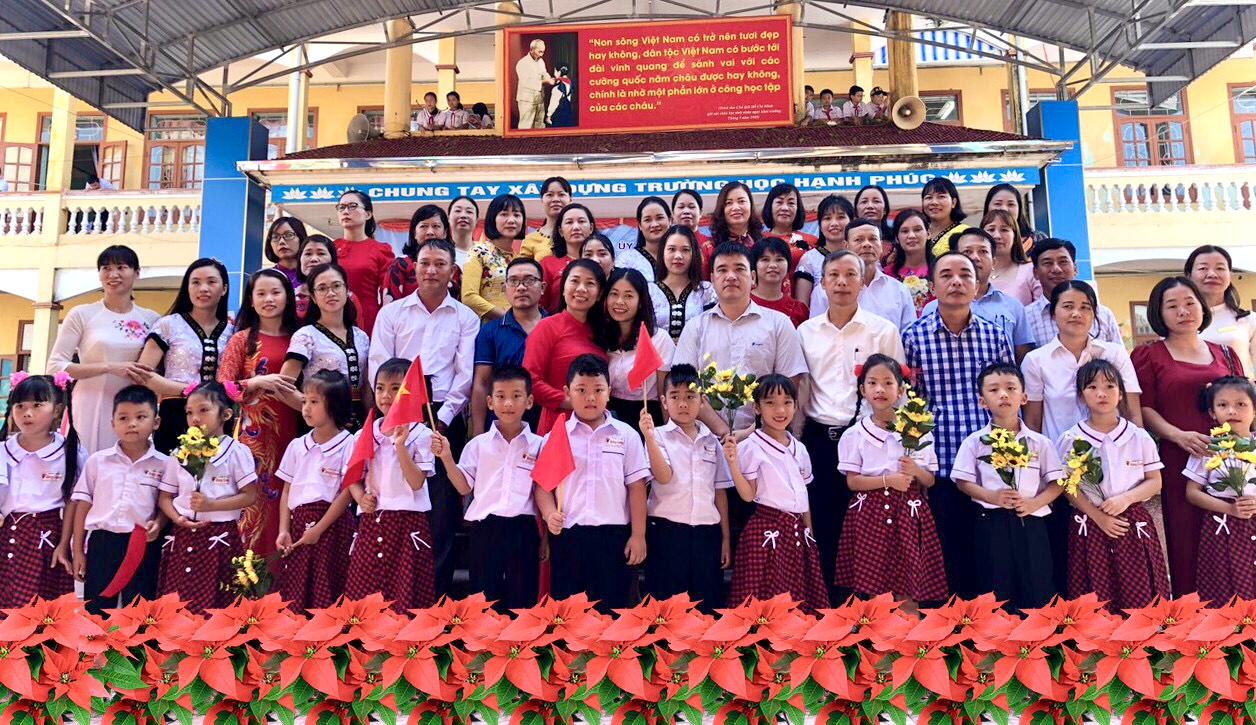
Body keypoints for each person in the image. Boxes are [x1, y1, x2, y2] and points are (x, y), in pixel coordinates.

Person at [368, 239, 480, 597]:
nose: (432, 270)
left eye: (440, 264)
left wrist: (442, 419)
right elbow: (379, 365)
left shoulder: (465, 317)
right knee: (398, 503)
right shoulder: (392, 314)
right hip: (397, 415)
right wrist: (396, 413)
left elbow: (465, 375)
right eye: (425, 263)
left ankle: (436, 595)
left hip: (443, 416)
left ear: (452, 271)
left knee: (442, 511)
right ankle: (394, 593)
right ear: (414, 267)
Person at [902, 252, 1014, 597]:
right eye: (947, 275)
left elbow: (1008, 400)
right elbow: (910, 406)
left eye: (965, 275)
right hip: (940, 464)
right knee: (948, 551)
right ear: (932, 286)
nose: (956, 282)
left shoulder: (994, 336)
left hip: (988, 463)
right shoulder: (913, 338)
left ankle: (994, 618)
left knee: (992, 550)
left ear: (977, 285)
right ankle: (953, 622)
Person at [798, 250, 905, 599]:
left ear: (862, 282)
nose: (841, 282)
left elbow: (898, 391)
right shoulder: (806, 331)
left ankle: (873, 607)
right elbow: (802, 389)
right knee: (825, 524)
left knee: (870, 527)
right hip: (820, 439)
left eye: (850, 275)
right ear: (822, 283)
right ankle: (832, 607)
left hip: (869, 440)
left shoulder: (882, 330)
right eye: (834, 275)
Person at [1133, 276, 1244, 597]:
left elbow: (1243, 400)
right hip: (1179, 458)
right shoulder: (1148, 355)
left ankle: (1238, 611)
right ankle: (1191, 611)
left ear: (1202, 306)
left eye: (1190, 303)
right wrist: (1177, 436)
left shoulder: (1225, 353)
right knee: (1186, 538)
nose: (1183, 311)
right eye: (1172, 305)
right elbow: (1143, 407)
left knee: (1234, 532)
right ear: (1159, 313)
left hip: (1228, 459)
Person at [534, 354, 649, 614]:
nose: (590, 397)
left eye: (598, 390)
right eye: (581, 390)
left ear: (609, 392)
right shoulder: (558, 436)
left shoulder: (627, 435)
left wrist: (638, 535)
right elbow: (542, 486)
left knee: (611, 613)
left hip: (614, 538)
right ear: (567, 392)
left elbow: (636, 487)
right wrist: (550, 514)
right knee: (569, 615)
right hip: (569, 537)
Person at [1057, 359, 1170, 613]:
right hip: (1091, 523)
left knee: (1139, 590)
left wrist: (1125, 499)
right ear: (1081, 395)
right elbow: (1067, 486)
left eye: (1109, 386)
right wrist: (1098, 516)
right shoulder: (1071, 439)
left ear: (1120, 393)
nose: (1102, 393)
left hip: (1131, 523)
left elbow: (1155, 482)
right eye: (1092, 387)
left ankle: (1141, 634)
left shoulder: (1138, 436)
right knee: (1096, 593)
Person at [835, 355, 945, 613]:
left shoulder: (917, 431)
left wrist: (915, 470)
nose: (880, 389)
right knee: (876, 585)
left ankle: (910, 629)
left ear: (901, 390)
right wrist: (889, 480)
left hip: (908, 512)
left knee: (909, 584)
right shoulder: (854, 434)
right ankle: (880, 631)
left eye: (888, 383)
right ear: (862, 390)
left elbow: (930, 480)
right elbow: (853, 481)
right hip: (870, 513)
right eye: (872, 383)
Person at [953, 363, 1064, 611]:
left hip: (1032, 521)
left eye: (1011, 388)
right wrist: (990, 496)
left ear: (1023, 397)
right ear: (982, 401)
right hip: (991, 521)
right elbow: (963, 481)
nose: (1003, 394)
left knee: (1037, 584)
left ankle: (1038, 632)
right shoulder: (975, 442)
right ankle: (1000, 633)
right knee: (996, 585)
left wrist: (1035, 502)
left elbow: (1058, 482)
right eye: (994, 390)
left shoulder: (1039, 442)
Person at [437, 365, 544, 613]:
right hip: (485, 529)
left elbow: (544, 492)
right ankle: (485, 639)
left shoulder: (540, 445)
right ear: (489, 401)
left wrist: (545, 538)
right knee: (483, 598)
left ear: (529, 401)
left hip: (524, 529)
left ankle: (520, 638)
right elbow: (463, 486)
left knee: (523, 598)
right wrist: (447, 458)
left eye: (516, 396)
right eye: (501, 396)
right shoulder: (477, 445)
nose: (508, 403)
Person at [674, 243, 807, 437]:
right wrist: (724, 432)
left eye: (739, 269)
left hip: (765, 438)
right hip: (706, 438)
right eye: (722, 270)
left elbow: (788, 385)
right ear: (712, 279)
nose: (731, 276)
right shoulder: (695, 327)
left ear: (753, 277)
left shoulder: (779, 324)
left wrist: (750, 433)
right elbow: (686, 387)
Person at [725, 374, 829, 614]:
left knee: (799, 600)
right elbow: (748, 495)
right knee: (764, 600)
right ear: (757, 407)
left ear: (795, 405)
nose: (780, 410)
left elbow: (803, 497)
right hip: (767, 530)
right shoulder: (751, 446)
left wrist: (809, 532)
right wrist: (732, 463)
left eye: (787, 402)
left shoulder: (800, 448)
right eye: (771, 402)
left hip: (797, 532)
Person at [343, 358, 438, 614]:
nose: (386, 395)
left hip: (408, 523)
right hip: (373, 521)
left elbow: (416, 482)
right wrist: (360, 498)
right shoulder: (365, 433)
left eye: (396, 388)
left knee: (406, 594)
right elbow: (353, 477)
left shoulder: (421, 435)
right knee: (366, 592)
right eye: (380, 388)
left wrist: (400, 445)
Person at [218, 269, 301, 555]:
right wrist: (255, 382)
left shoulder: (301, 337)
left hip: (294, 430)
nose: (269, 299)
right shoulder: (242, 339)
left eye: (276, 292)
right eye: (261, 294)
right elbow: (222, 387)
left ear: (288, 297)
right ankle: (249, 571)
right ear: (251, 300)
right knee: (254, 500)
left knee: (288, 495)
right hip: (252, 437)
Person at [48, 245, 161, 454]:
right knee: (87, 461)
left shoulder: (152, 319)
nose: (113, 274)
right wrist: (109, 367)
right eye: (106, 268)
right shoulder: (82, 314)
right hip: (91, 402)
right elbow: (55, 367)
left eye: (121, 267)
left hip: (135, 406)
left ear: (137, 273)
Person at [156, 381, 257, 614]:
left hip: (219, 536)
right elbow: (165, 497)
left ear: (226, 414)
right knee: (177, 601)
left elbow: (249, 495)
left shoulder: (237, 452)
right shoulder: (179, 453)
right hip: (182, 535)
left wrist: (211, 505)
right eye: (189, 412)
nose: (195, 418)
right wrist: (177, 518)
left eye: (204, 410)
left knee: (217, 604)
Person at [71, 385, 172, 615]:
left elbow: (165, 505)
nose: (132, 424)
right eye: (123, 418)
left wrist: (159, 524)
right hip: (102, 543)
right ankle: (96, 639)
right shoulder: (98, 462)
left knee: (139, 610)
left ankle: (136, 640)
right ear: (113, 423)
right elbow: (83, 505)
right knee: (97, 609)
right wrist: (78, 550)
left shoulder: (165, 464)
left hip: (143, 543)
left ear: (156, 422)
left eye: (141, 417)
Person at [639, 364, 731, 613]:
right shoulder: (658, 436)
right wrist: (649, 437)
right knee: (666, 606)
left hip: (706, 533)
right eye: (674, 397)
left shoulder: (712, 441)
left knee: (706, 604)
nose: (682, 404)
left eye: (690, 397)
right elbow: (663, 476)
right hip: (667, 532)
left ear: (702, 400)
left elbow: (719, 491)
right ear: (663, 401)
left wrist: (725, 538)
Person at [273, 371, 356, 615]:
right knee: (298, 588)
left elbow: (346, 493)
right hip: (299, 526)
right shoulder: (297, 445)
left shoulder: (349, 444)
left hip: (333, 526)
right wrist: (284, 530)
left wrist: (318, 529)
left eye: (314, 402)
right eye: (304, 401)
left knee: (330, 586)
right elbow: (287, 491)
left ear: (334, 406)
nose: (306, 408)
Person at [0, 374, 83, 608]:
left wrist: (64, 544)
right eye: (20, 406)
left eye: (37, 405)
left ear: (57, 410)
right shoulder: (3, 450)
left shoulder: (69, 453)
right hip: (5, 534)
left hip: (46, 537)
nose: (27, 413)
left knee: (41, 609)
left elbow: (73, 502)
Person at [1023, 281, 1142, 442]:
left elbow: (1132, 413)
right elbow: (1032, 422)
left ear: (1093, 314)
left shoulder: (1114, 355)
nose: (1076, 314)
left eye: (1085, 307)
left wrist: (1138, 450)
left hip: (1114, 452)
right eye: (1068, 306)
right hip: (1059, 454)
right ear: (1053, 313)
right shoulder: (1036, 361)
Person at [138, 258, 234, 454]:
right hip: (176, 412)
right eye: (196, 282)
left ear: (224, 288)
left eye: (211, 282)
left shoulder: (233, 330)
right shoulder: (168, 325)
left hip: (218, 416)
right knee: (173, 470)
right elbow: (143, 374)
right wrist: (188, 390)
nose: (203, 288)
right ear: (187, 288)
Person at [1184, 376, 1256, 604]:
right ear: (1212, 413)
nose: (1232, 411)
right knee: (1226, 586)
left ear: (1254, 410)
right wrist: (1230, 509)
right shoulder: (1209, 448)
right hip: (1222, 527)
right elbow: (1192, 492)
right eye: (1223, 405)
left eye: (1241, 404)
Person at [921, 229, 1036, 361]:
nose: (975, 257)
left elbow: (1023, 359)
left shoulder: (1014, 307)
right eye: (967, 252)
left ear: (994, 262)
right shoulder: (932, 309)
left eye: (983, 251)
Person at [522, 259, 608, 434]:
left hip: (597, 426)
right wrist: (573, 401)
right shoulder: (547, 327)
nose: (581, 289)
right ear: (563, 288)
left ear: (599, 294)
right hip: (558, 425)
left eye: (590, 283)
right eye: (575, 281)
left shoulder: (603, 331)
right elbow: (530, 380)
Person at [282, 263, 371, 428]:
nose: (331, 293)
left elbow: (365, 387)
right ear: (313, 297)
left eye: (336, 286)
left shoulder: (361, 337)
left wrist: (370, 423)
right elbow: (283, 387)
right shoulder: (306, 336)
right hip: (321, 423)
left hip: (357, 419)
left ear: (347, 290)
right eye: (322, 288)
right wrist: (319, 412)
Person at [471, 258, 546, 437]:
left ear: (542, 287)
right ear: (505, 288)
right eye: (513, 281)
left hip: (545, 424)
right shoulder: (490, 331)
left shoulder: (554, 326)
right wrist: (478, 431)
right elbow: (481, 383)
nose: (521, 287)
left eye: (529, 280)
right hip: (501, 427)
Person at [603, 268, 675, 430]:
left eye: (628, 296)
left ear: (641, 301)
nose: (619, 301)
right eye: (614, 294)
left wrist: (668, 433)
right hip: (610, 417)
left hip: (647, 417)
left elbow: (664, 395)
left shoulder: (659, 339)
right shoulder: (602, 337)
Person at [811, 219, 915, 329]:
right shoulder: (825, 291)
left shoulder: (899, 291)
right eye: (859, 240)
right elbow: (816, 331)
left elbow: (909, 334)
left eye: (873, 239)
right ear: (846, 246)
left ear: (881, 246)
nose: (867, 244)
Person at [1026, 238, 1123, 345]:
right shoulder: (1026, 318)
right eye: (1048, 263)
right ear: (1035, 272)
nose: (1056, 269)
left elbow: (1119, 355)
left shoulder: (1103, 314)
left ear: (1075, 269)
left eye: (1063, 262)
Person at [1187, 244, 1256, 377]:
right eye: (1203, 268)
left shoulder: (1249, 320)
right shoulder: (1178, 321)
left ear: (1230, 275)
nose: (1212, 274)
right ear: (1189, 275)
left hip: (1235, 389)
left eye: (1220, 268)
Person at [332, 190, 395, 335]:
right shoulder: (330, 248)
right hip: (333, 318)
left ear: (368, 214)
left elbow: (388, 294)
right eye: (341, 207)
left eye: (352, 206)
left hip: (367, 320)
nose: (345, 211)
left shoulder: (381, 250)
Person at [650, 225, 716, 342]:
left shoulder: (706, 290)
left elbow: (713, 334)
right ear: (662, 253)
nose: (678, 256)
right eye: (671, 249)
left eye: (685, 250)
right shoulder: (649, 291)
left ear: (694, 254)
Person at [464, 194, 525, 320]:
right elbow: (468, 297)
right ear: (493, 219)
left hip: (518, 327)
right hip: (488, 327)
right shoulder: (478, 253)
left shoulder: (520, 260)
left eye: (516, 215)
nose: (511, 220)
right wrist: (508, 318)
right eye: (504, 214)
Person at [792, 194, 853, 310]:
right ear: (820, 225)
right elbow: (802, 307)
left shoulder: (858, 257)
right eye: (827, 218)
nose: (834, 223)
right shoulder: (809, 259)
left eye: (840, 217)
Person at [384, 205, 451, 303]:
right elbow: (390, 306)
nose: (430, 232)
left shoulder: (453, 267)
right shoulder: (400, 265)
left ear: (445, 232)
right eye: (423, 226)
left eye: (436, 226)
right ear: (414, 233)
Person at [539, 203, 595, 312]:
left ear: (591, 228)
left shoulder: (600, 261)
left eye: (581, 221)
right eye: (569, 222)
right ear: (560, 231)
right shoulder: (548, 263)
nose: (576, 227)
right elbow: (539, 304)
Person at [699, 182, 761, 277]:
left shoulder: (763, 245)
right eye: (729, 203)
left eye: (741, 201)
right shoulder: (709, 248)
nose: (735, 207)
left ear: (751, 205)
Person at [982, 210, 1040, 305]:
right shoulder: (973, 274)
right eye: (991, 230)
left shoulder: (1031, 271)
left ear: (1015, 237)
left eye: (1004, 230)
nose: (997, 236)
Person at [883, 209, 933, 316]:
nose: (911, 236)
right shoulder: (887, 275)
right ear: (897, 238)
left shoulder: (941, 270)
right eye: (905, 231)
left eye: (917, 230)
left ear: (928, 233)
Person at [750, 237, 808, 328]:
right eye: (765, 259)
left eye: (779, 259)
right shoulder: (742, 303)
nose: (773, 265)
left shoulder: (799, 309)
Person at [761, 183, 817, 268]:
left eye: (791, 203)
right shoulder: (757, 239)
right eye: (779, 202)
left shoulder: (813, 242)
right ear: (770, 206)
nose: (785, 208)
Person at [618, 196, 672, 283]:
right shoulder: (627, 260)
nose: (654, 224)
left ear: (670, 220)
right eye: (648, 220)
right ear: (640, 225)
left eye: (659, 218)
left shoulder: (682, 256)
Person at [518, 177, 572, 261]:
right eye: (550, 195)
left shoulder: (579, 232)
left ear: (570, 199)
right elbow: (523, 268)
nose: (555, 199)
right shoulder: (530, 240)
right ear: (542, 200)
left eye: (561, 194)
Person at [923, 177, 970, 258]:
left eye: (941, 196)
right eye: (929, 197)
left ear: (953, 202)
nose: (934, 202)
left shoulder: (965, 232)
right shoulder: (919, 231)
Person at [984, 183, 1040, 248]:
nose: (1004, 209)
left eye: (1011, 204)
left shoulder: (1038, 240)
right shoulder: (977, 239)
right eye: (997, 204)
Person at [294, 234, 337, 318]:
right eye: (308, 254)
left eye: (321, 253)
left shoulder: (345, 296)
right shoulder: (288, 297)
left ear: (332, 259)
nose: (314, 259)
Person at [515, 39, 554, 130]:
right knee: (526, 126)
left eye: (543, 52)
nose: (541, 55)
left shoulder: (541, 61)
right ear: (532, 49)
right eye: (539, 52)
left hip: (539, 99)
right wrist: (544, 82)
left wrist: (549, 79)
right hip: (527, 100)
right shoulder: (523, 63)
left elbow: (544, 73)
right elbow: (526, 82)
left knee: (539, 125)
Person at [265, 216, 307, 290]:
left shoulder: (313, 277)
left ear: (301, 238)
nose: (281, 242)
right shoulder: (264, 278)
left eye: (289, 235)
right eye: (275, 237)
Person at [447, 196, 480, 264]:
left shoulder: (485, 252)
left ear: (476, 220)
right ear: (448, 218)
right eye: (458, 211)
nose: (463, 215)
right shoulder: (440, 251)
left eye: (469, 212)